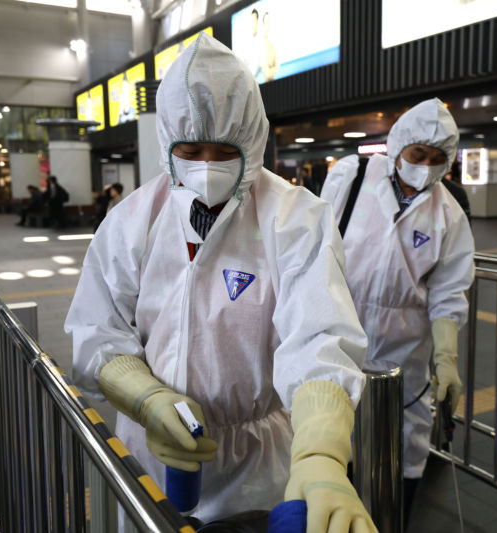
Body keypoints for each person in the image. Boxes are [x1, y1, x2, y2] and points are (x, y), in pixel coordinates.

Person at [65, 33, 376, 532]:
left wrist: (321, 453)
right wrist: (146, 398)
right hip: (154, 447)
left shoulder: (295, 219)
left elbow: (319, 336)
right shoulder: (131, 222)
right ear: (168, 143)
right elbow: (97, 332)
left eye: (223, 150)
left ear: (252, 141)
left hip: (256, 463)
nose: (207, 166)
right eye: (191, 149)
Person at [320, 98, 475, 523]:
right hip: (339, 339)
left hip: (404, 353)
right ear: (397, 146)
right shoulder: (351, 177)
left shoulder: (449, 213)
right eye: (417, 154)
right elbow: (316, 246)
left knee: (402, 451)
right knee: (333, 443)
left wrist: (446, 359)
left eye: (437, 158)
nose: (425, 165)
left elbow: (448, 291)